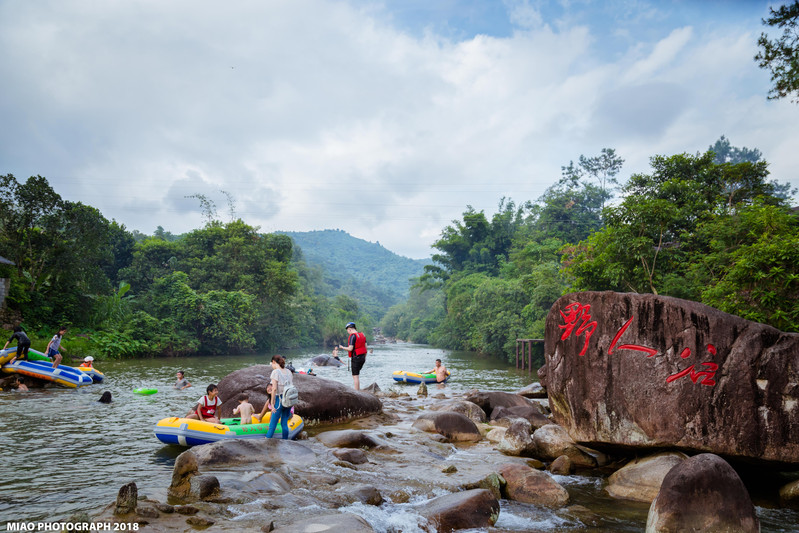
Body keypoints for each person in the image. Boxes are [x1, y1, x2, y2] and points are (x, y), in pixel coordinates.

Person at [265, 354, 293, 439]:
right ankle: (286, 441)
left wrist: (272, 404)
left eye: (272, 364)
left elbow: (274, 389)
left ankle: (267, 441)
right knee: (284, 423)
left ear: (274, 362)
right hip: (288, 400)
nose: (272, 366)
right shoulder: (288, 371)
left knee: (272, 425)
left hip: (279, 400)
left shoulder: (275, 372)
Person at [338, 322, 368, 390]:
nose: (348, 332)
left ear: (350, 329)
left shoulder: (353, 336)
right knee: (357, 375)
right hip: (362, 357)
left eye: (348, 331)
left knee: (355, 376)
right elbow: (366, 348)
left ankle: (357, 392)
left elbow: (350, 348)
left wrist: (342, 347)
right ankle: (358, 390)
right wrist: (365, 357)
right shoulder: (362, 335)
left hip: (356, 357)